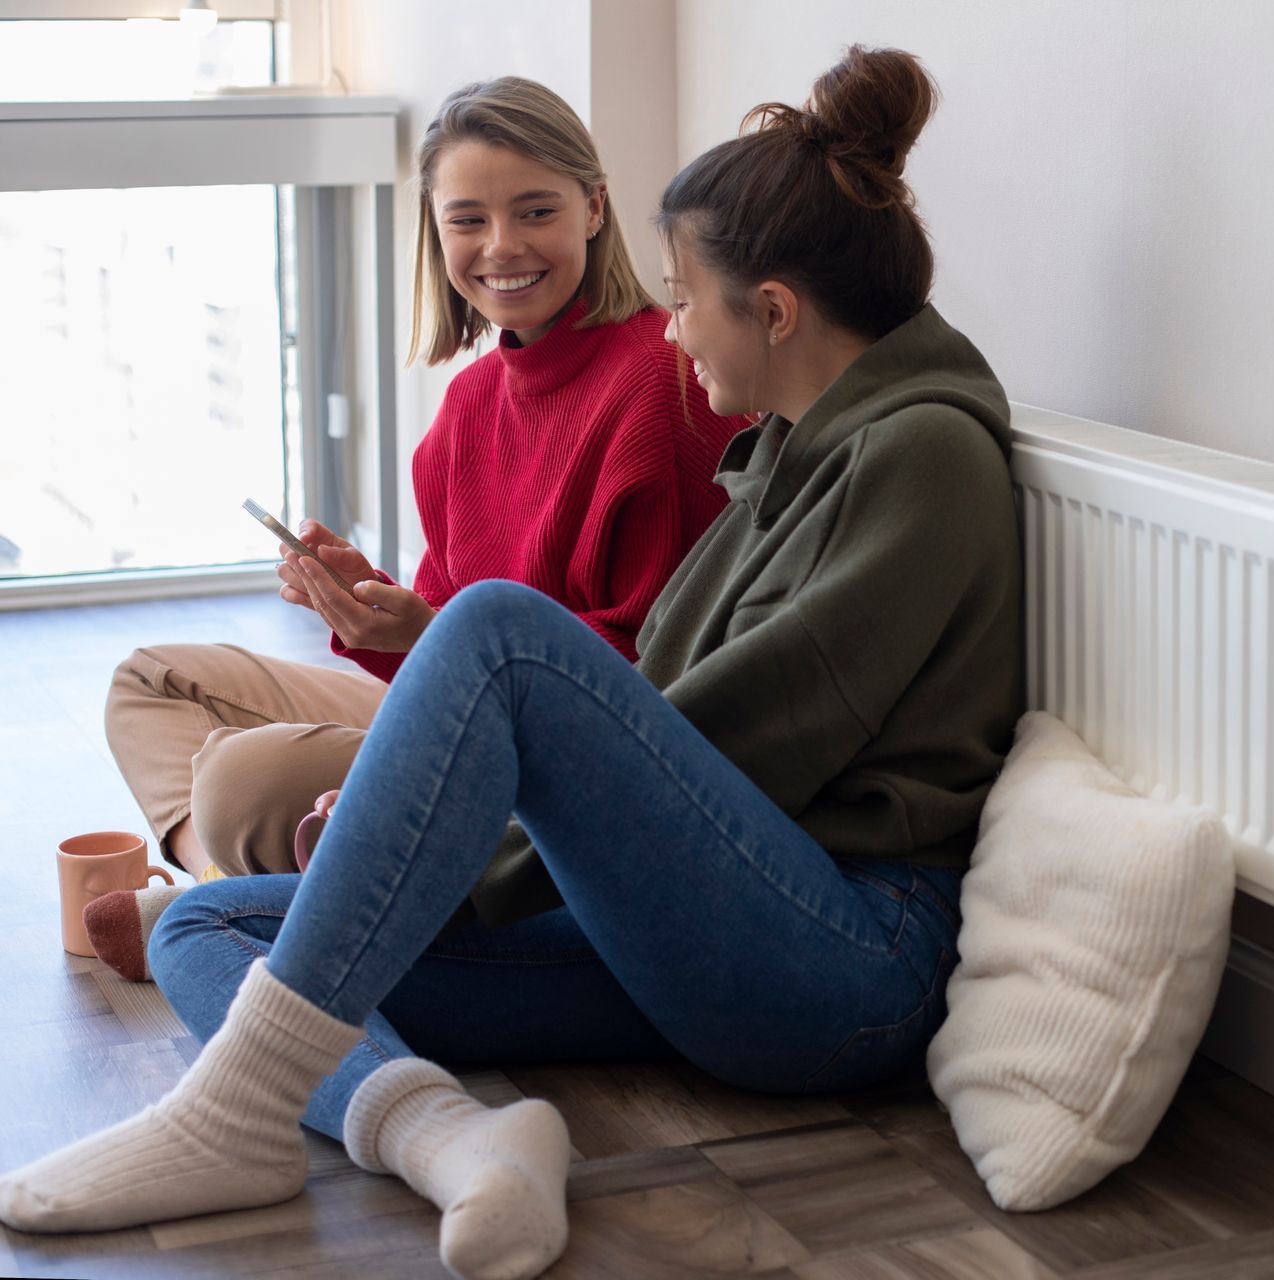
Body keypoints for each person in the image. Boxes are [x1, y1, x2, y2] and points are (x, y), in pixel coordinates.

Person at [0, 44, 1022, 1280]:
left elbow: (746, 745)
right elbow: (672, 740)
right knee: (208, 926)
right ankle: (459, 1145)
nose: (673, 323)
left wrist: (456, 858)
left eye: (685, 293)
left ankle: (233, 1110)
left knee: (490, 625)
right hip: (692, 926)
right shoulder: (794, 450)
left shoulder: (921, 458)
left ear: (775, 311)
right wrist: (408, 841)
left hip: (843, 958)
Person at [99, 76, 750, 890]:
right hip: (458, 714)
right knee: (147, 681)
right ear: (436, 233)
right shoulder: (466, 409)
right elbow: (433, 650)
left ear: (594, 207)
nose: (501, 246)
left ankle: (241, 901)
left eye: (536, 211)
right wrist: (370, 604)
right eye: (468, 220)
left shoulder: (668, 383)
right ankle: (220, 891)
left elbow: (667, 673)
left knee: (238, 780)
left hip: (571, 755)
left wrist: (427, 634)